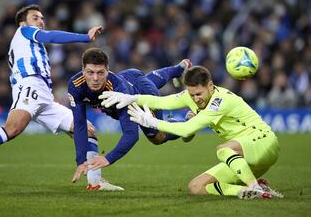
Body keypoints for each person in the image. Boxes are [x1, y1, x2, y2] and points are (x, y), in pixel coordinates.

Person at [0, 4, 123, 192]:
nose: (40, 21)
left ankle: (95, 182)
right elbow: (51, 36)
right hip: (30, 86)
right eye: (35, 17)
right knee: (13, 128)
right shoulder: (25, 31)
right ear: (22, 22)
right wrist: (85, 37)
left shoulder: (29, 43)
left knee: (88, 130)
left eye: (42, 18)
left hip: (44, 97)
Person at [99, 65, 284, 199]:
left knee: (223, 149)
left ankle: (252, 185)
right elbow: (164, 102)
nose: (196, 99)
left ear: (210, 86)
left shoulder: (220, 101)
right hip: (245, 160)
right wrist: (132, 97)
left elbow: (187, 128)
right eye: (192, 95)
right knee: (196, 187)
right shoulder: (191, 96)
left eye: (199, 94)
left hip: (263, 142)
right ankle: (252, 190)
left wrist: (153, 122)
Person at [68, 47, 192, 183]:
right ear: (83, 70)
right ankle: (179, 69)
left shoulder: (120, 92)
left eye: (100, 73)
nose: (95, 78)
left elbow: (131, 135)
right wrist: (80, 160)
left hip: (141, 96)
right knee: (149, 80)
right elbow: (80, 124)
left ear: (108, 70)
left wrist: (108, 158)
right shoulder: (75, 85)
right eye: (90, 72)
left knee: (157, 137)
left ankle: (187, 123)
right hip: (130, 76)